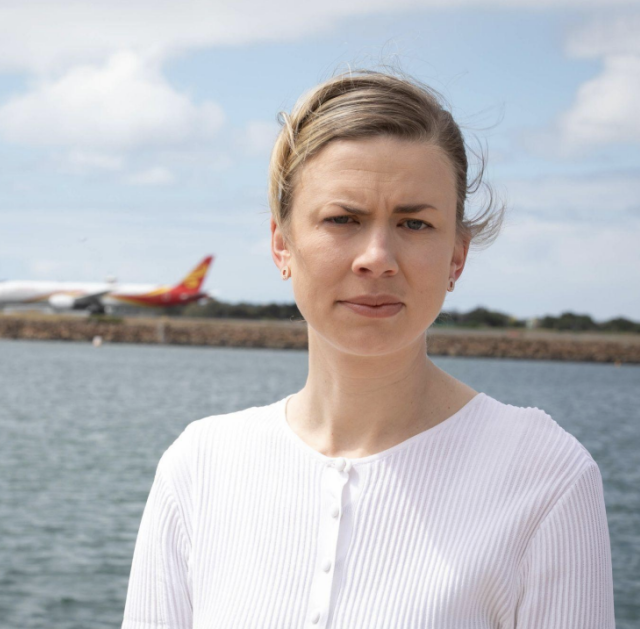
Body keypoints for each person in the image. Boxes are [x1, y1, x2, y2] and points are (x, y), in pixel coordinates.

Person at [121, 69, 614, 628]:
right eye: (343, 219)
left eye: (414, 223)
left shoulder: (546, 477)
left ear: (458, 255)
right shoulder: (200, 466)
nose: (377, 256)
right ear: (282, 244)